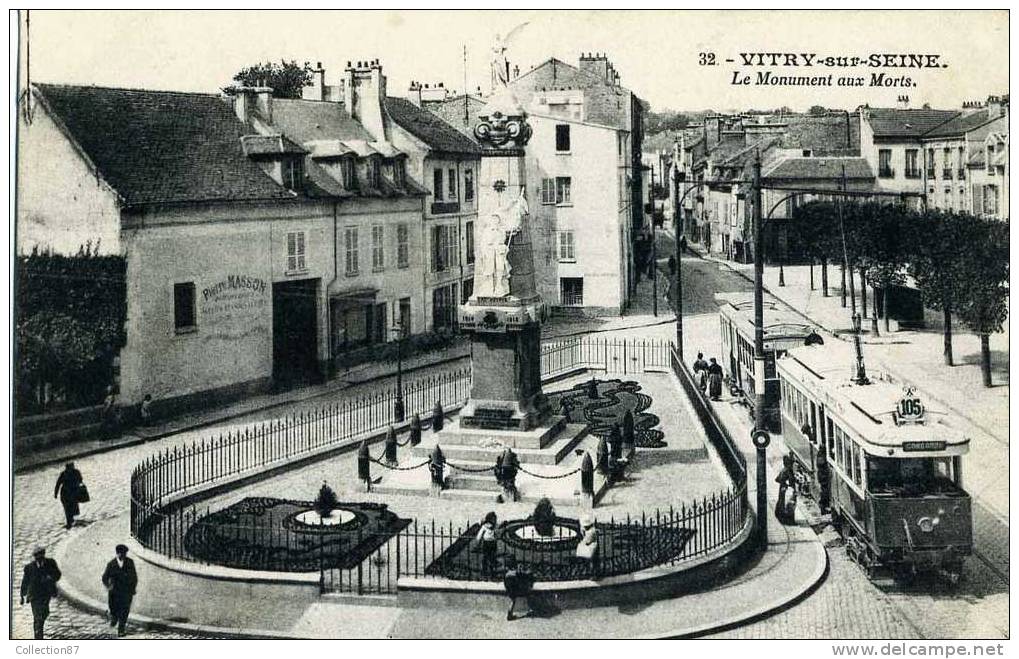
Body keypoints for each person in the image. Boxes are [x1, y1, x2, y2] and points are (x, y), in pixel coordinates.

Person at [20, 546, 61, 639]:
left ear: (44, 555)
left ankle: (38, 630)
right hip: (34, 596)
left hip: (46, 594)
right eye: (37, 556)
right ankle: (38, 637)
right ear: (34, 557)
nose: (39, 558)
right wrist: (22, 595)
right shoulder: (29, 568)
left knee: (45, 612)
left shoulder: (50, 563)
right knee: (37, 616)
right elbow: (25, 582)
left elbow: (57, 574)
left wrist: (51, 577)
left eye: (41, 555)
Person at [101, 544, 138, 637]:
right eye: (121, 554)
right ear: (117, 554)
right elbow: (105, 577)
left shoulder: (130, 562)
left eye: (125, 554)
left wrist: (133, 588)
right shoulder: (111, 564)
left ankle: (121, 629)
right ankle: (114, 617)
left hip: (126, 592)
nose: (123, 556)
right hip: (115, 593)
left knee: (125, 611)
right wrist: (109, 586)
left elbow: (134, 577)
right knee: (113, 608)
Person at [503, 555, 534, 621]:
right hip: (517, 589)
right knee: (528, 592)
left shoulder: (507, 572)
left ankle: (510, 614)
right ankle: (529, 609)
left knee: (513, 600)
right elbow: (524, 575)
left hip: (509, 588)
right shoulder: (515, 572)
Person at [54, 462, 84, 529]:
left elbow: (58, 484)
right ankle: (70, 521)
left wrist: (56, 493)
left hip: (67, 493)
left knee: (69, 507)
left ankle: (70, 520)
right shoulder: (75, 472)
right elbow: (80, 480)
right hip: (69, 493)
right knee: (69, 507)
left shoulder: (65, 473)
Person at [775, 455, 798, 524]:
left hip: (783, 490)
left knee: (783, 504)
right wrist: (787, 484)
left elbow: (777, 479)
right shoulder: (788, 471)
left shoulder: (784, 470)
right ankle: (789, 521)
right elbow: (791, 481)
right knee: (789, 505)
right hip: (788, 491)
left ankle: (783, 519)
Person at [476, 512, 499, 576]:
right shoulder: (485, 527)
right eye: (494, 519)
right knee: (485, 557)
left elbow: (497, 533)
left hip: (492, 543)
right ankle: (485, 571)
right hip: (487, 543)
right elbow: (479, 535)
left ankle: (492, 571)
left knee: (492, 558)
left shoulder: (494, 527)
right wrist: (478, 541)